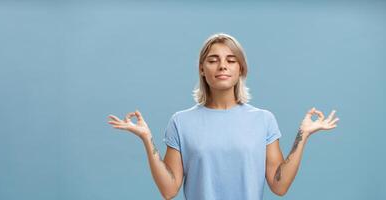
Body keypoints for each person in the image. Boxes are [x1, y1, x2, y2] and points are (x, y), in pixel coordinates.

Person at [107, 33, 339, 200]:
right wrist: (147, 139)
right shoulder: (180, 122)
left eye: (231, 60)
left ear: (241, 69)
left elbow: (279, 186)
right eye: (213, 60)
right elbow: (169, 191)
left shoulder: (264, 120)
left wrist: (303, 135)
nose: (222, 66)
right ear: (201, 69)